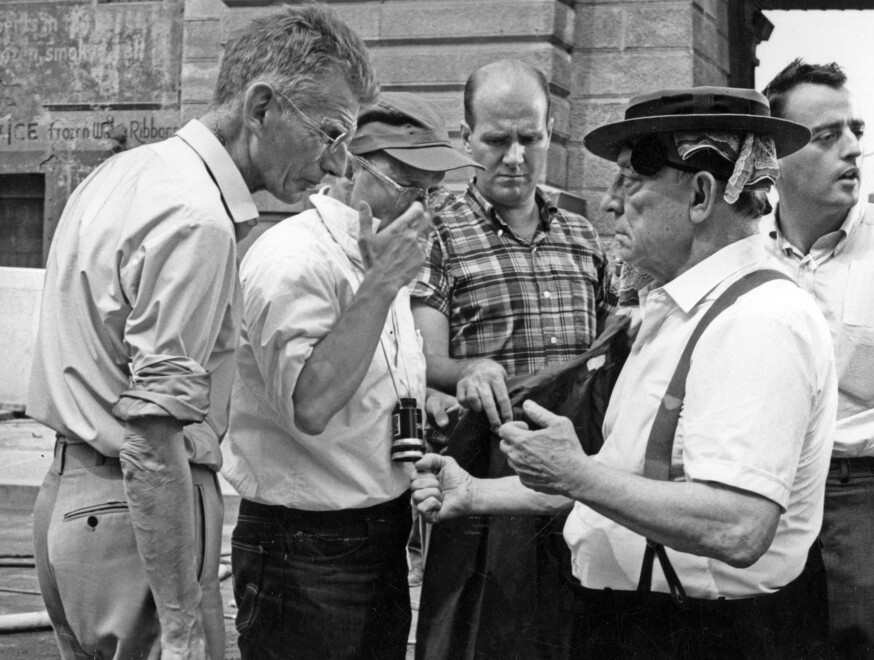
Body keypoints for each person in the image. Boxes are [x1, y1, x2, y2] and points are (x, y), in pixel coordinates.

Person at [413, 86, 839, 658]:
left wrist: (576, 475)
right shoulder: (680, 310)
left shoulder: (757, 321)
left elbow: (739, 526)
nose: (610, 203)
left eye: (629, 181)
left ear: (702, 194)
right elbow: (623, 481)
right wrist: (478, 493)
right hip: (649, 624)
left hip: (706, 637)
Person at [26, 6, 377, 658]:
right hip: (137, 525)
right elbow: (153, 437)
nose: (336, 165)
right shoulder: (197, 218)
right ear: (261, 106)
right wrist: (183, 621)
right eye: (329, 133)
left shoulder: (126, 173)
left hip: (72, 506)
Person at [220, 92, 481, 659]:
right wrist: (384, 284)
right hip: (306, 548)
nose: (423, 208)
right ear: (349, 168)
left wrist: (418, 402)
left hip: (375, 531)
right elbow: (310, 404)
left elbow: (368, 376)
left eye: (433, 193)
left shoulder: (376, 255)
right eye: (409, 186)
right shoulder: (295, 259)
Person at [410, 59, 616, 659]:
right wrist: (467, 372)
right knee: (482, 634)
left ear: (551, 131)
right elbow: (424, 356)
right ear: (466, 137)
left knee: (582, 628)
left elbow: (609, 340)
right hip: (485, 471)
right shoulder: (438, 233)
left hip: (582, 469)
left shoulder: (582, 234)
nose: (516, 157)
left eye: (531, 138)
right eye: (498, 140)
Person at [762, 59, 874, 659]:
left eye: (855, 131)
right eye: (828, 136)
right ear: (774, 152)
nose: (854, 149)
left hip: (862, 506)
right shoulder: (743, 254)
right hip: (759, 499)